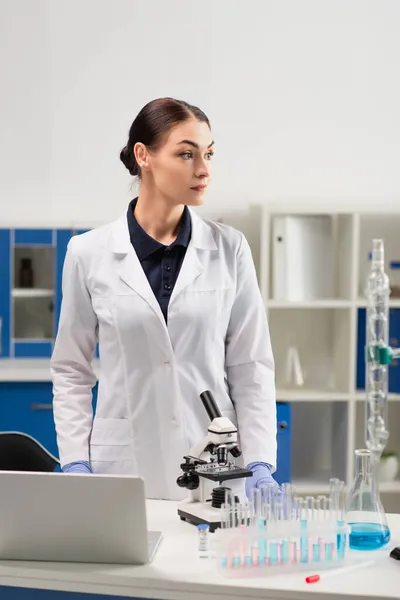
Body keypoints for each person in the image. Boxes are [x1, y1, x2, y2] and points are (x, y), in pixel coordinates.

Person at [51, 97, 279, 501]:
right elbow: (71, 369)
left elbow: (250, 365)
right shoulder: (88, 253)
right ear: (144, 156)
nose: (204, 169)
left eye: (208, 154)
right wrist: (74, 460)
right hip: (123, 464)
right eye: (186, 154)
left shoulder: (230, 248)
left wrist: (260, 463)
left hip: (216, 459)